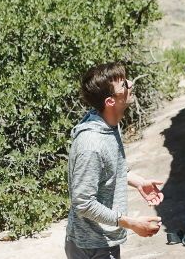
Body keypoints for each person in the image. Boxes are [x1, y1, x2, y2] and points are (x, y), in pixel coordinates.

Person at [66, 62, 164, 259]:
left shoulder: (109, 124)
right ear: (110, 101)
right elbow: (83, 202)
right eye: (124, 85)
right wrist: (131, 223)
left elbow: (112, 167)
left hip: (103, 240)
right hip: (92, 246)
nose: (130, 84)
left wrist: (138, 182)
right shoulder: (91, 144)